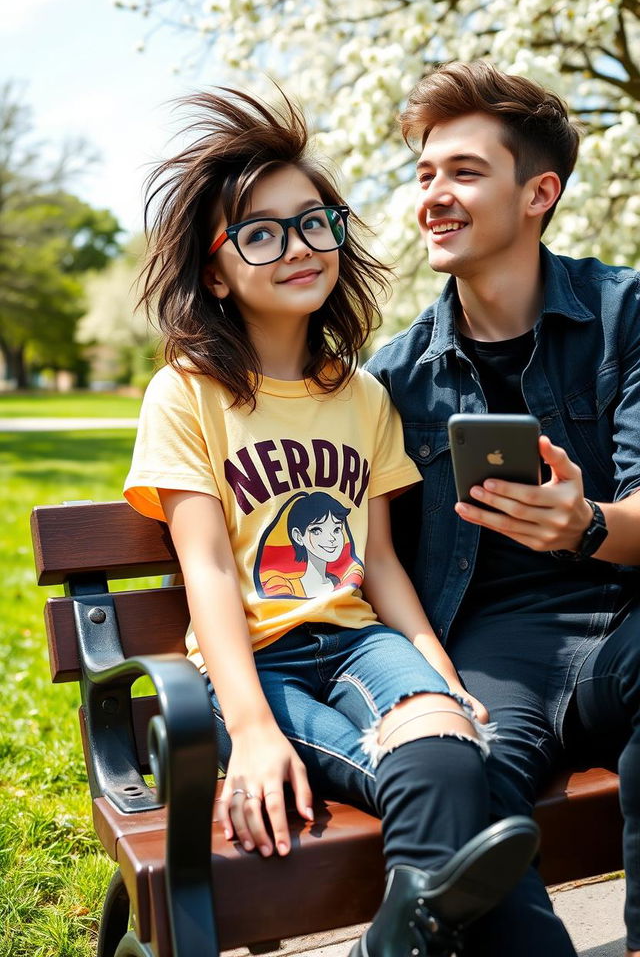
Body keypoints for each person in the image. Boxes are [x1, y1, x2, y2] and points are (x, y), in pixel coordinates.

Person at [123, 87, 539, 957]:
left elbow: (378, 560)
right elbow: (204, 570)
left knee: (448, 741)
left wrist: (432, 661)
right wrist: (251, 732)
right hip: (256, 661)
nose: (300, 248)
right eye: (261, 233)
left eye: (316, 223)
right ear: (214, 270)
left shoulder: (362, 395)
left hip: (356, 642)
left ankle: (397, 938)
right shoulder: (186, 394)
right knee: (437, 773)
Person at [366, 60, 640, 956]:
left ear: (539, 193)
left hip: (628, 613)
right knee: (465, 781)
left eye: (465, 172)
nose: (434, 196)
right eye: (425, 175)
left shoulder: (624, 312)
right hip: (492, 649)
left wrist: (589, 524)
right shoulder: (393, 380)